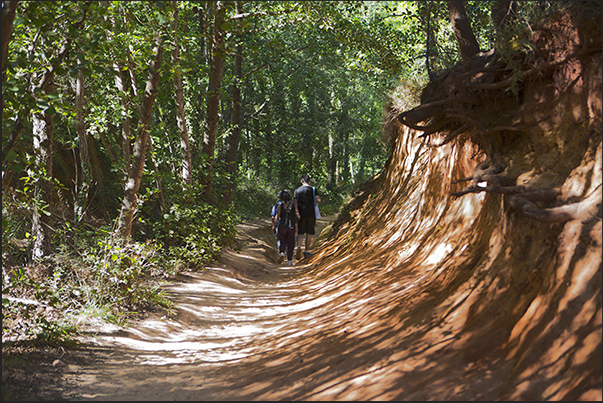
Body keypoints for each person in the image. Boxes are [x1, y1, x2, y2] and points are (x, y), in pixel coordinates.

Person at [293, 174, 321, 260]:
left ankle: (298, 247)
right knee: (309, 232)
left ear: (301, 181)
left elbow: (295, 203)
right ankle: (306, 251)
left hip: (301, 214)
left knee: (301, 232)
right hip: (311, 214)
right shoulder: (313, 189)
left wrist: (297, 213)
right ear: (309, 181)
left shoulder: (297, 190)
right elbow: (318, 200)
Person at [271, 189, 298, 266]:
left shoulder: (280, 206)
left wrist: (274, 225)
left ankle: (282, 252)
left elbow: (276, 217)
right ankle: (289, 261)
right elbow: (298, 215)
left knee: (282, 241)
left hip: (282, 226)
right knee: (290, 243)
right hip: (291, 227)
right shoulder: (293, 205)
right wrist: (296, 223)